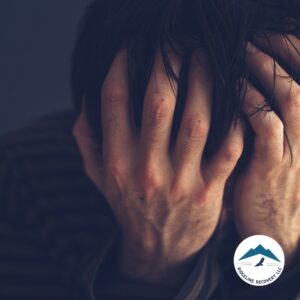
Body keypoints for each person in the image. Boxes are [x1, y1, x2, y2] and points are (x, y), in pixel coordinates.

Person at [0, 0, 300, 299]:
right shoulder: (21, 183)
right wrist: (153, 269)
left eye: (256, 158)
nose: (200, 196)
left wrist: (281, 253)